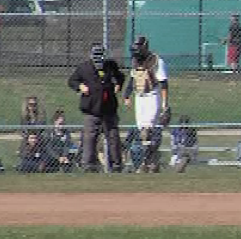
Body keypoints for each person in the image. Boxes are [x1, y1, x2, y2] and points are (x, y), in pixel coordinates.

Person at [67, 43, 126, 173]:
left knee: (113, 136)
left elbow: (120, 77)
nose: (98, 59)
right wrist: (80, 87)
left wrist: (118, 85)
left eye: (101, 55)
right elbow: (72, 81)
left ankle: (116, 164)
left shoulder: (111, 66)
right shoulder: (84, 68)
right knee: (90, 137)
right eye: (96, 55)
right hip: (91, 109)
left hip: (109, 109)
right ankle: (89, 165)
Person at [122, 36, 169, 173]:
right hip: (139, 97)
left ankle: (146, 162)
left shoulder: (155, 61)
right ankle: (152, 162)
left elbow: (164, 84)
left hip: (152, 96)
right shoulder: (135, 61)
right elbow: (132, 79)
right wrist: (126, 95)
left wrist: (165, 105)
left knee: (147, 131)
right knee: (142, 130)